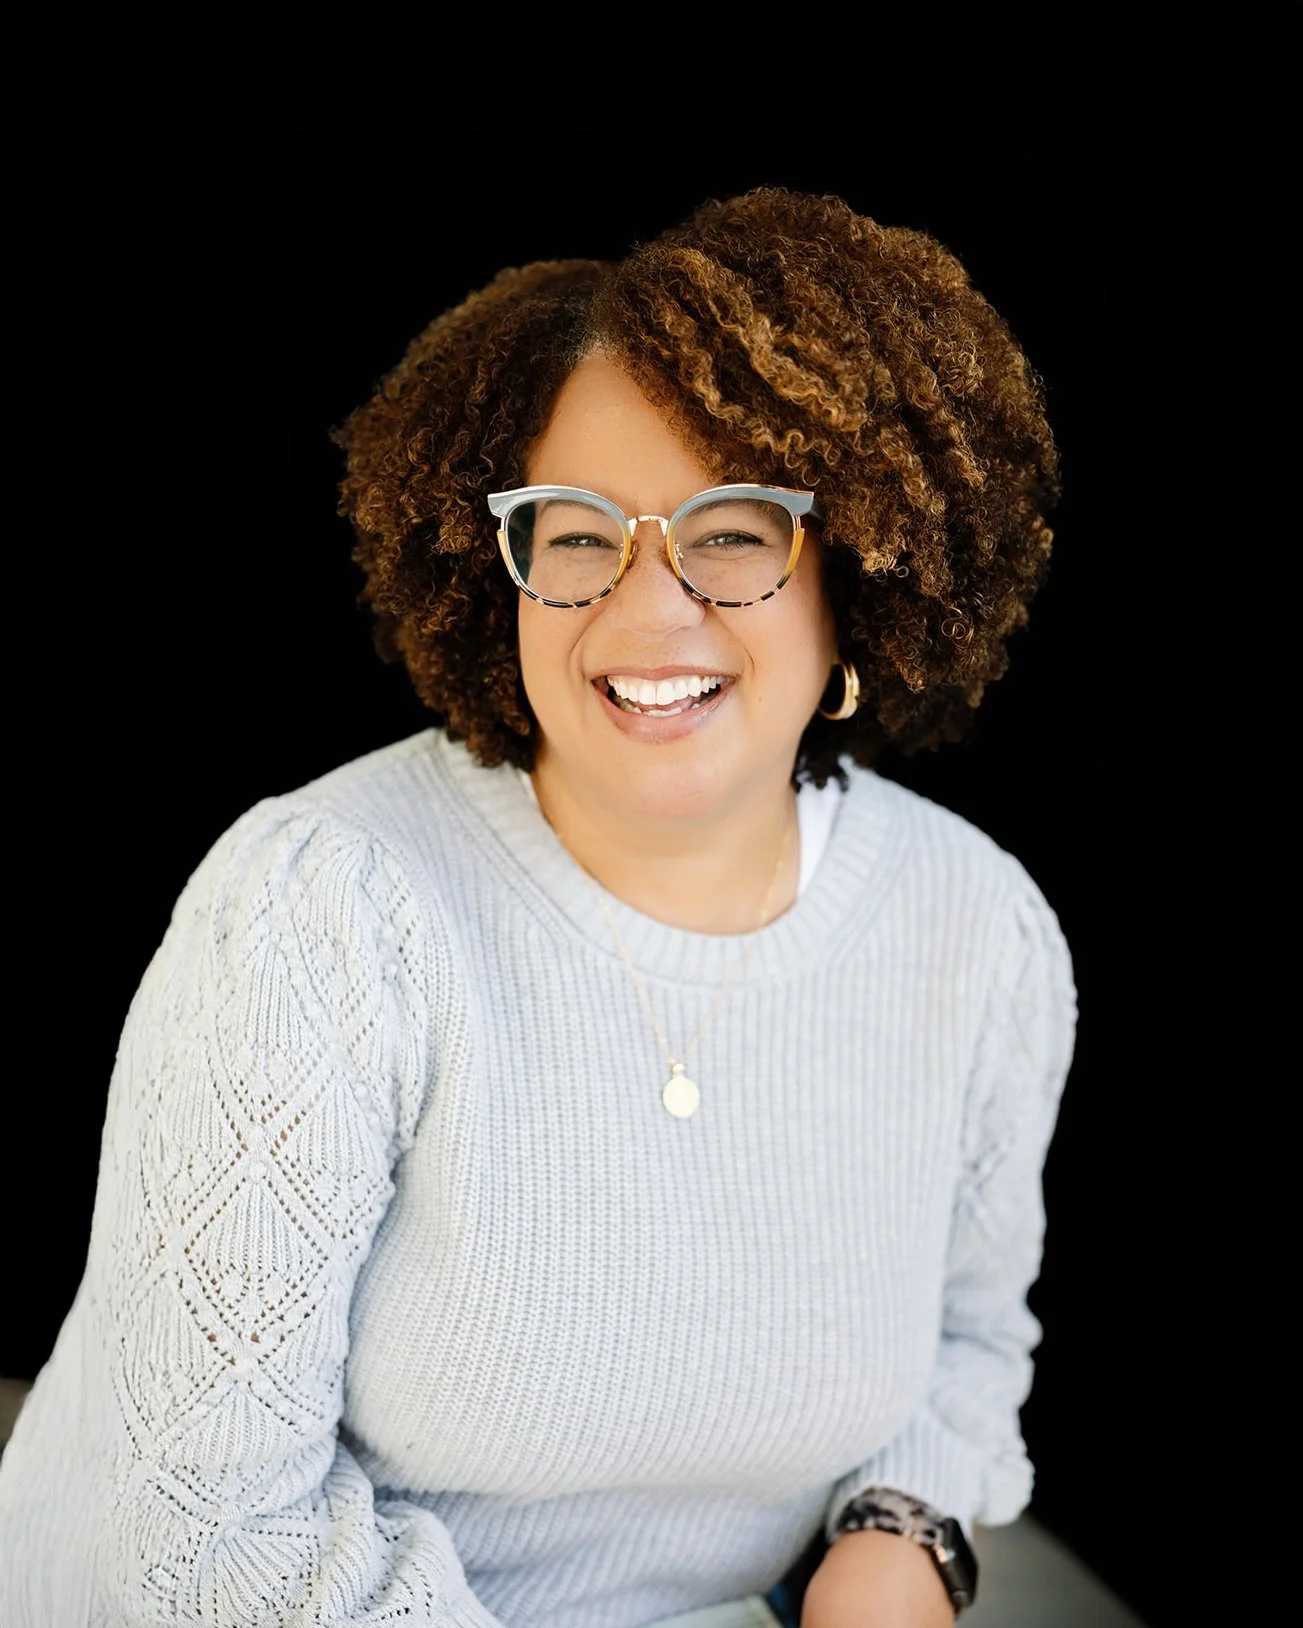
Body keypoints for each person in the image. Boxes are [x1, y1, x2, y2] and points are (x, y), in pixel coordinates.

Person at [0, 186, 1076, 1627]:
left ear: (865, 574)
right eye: (576, 535)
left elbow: (967, 1343)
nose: (650, 610)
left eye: (734, 531)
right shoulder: (322, 914)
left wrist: (901, 1535)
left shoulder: (975, 930)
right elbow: (195, 1537)